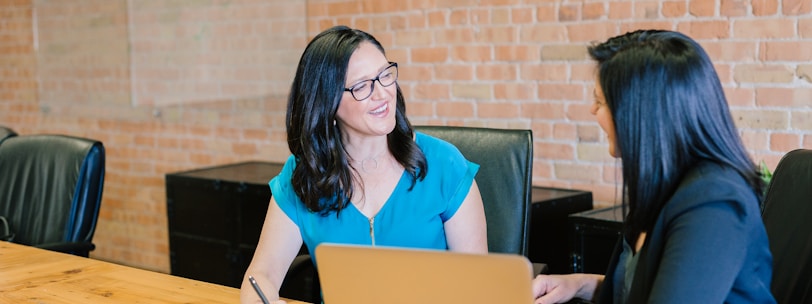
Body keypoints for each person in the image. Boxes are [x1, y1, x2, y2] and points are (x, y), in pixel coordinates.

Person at [240, 25, 488, 304]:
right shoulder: (304, 174)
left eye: (385, 75)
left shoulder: (444, 164)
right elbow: (262, 275)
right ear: (327, 102)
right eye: (362, 86)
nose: (382, 94)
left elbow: (475, 287)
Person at [532, 30, 776, 303]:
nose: (593, 111)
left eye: (600, 101)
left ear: (641, 113)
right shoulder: (663, 184)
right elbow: (643, 288)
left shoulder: (714, 203)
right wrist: (578, 284)